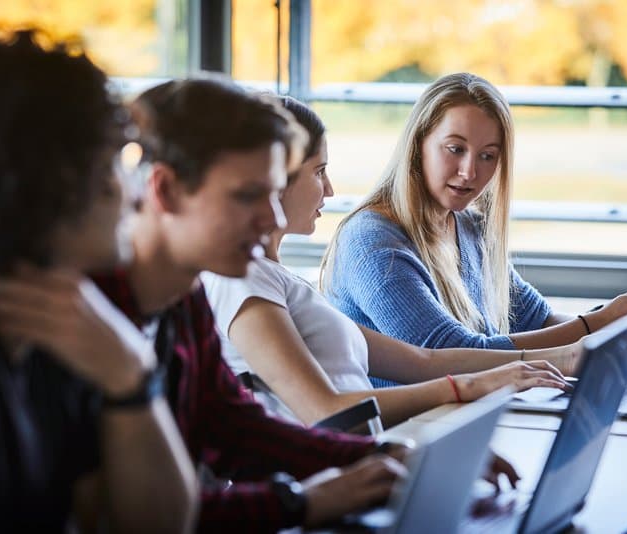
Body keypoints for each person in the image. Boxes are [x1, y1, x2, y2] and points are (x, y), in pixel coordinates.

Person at [93, 76, 429, 532]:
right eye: (248, 196)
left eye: (274, 194)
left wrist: (385, 456)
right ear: (165, 191)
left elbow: (235, 427)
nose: (272, 219)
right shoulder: (91, 314)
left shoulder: (183, 299)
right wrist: (302, 502)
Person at [0, 31, 196, 531]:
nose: (135, 192)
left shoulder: (67, 319)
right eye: (118, 160)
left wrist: (131, 376)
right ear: (52, 176)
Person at [202, 96, 574, 427]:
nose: (329, 189)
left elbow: (422, 361)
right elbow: (325, 411)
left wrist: (550, 361)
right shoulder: (243, 280)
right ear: (274, 180)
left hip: (367, 463)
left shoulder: (280, 281)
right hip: (336, 481)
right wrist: (467, 387)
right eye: (319, 172)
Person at [321, 73, 627, 365]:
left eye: (488, 156)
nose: (470, 171)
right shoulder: (372, 243)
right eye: (455, 149)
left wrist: (611, 339)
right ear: (418, 144)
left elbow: (538, 319)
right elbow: (454, 355)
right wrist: (596, 325)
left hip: (465, 418)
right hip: (403, 433)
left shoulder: (469, 227)